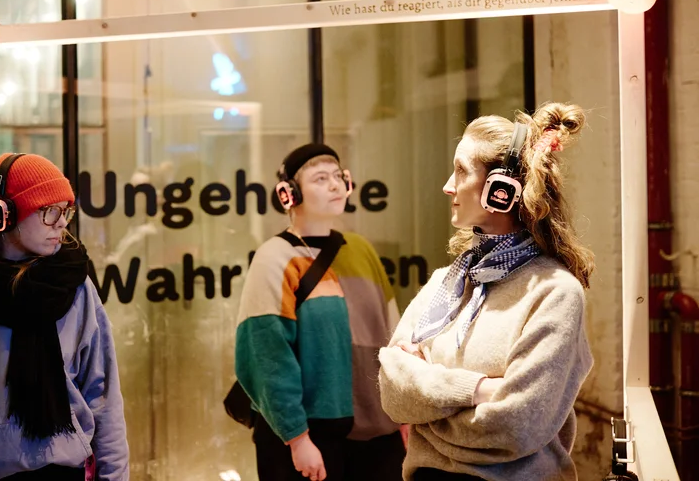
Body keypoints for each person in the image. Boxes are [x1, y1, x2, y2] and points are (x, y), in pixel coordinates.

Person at [379, 103, 595, 481]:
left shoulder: (555, 293)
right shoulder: (446, 282)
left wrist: (428, 412)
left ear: (501, 190)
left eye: (461, 170)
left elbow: (517, 426)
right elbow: (393, 391)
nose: (448, 185)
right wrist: (477, 391)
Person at [0, 153, 129, 480]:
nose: (62, 223)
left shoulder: (75, 290)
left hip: (65, 472)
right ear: (2, 215)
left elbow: (103, 398)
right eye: (49, 212)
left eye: (65, 211)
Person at [235, 143, 406, 481]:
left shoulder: (360, 249)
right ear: (290, 194)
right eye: (320, 178)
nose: (334, 186)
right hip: (310, 434)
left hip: (375, 431)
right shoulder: (275, 257)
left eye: (338, 177)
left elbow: (394, 333)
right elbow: (267, 358)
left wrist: (404, 415)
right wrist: (297, 439)